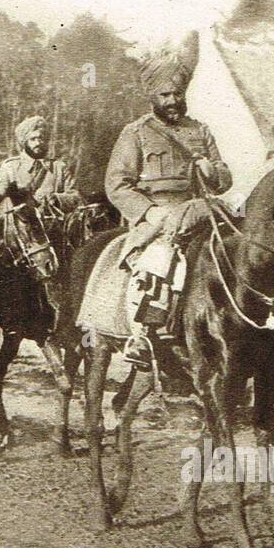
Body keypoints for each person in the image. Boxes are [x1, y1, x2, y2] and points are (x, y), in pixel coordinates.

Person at [104, 30, 232, 369]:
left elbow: (224, 179)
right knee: (159, 259)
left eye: (177, 93)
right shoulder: (136, 132)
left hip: (200, 209)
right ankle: (143, 334)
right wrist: (149, 212)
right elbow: (117, 184)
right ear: (152, 97)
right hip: (157, 217)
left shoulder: (200, 131)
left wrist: (211, 171)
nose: (173, 100)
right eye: (165, 94)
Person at [0, 116, 80, 218]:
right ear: (25, 142)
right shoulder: (10, 168)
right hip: (18, 228)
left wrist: (57, 199)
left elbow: (76, 197)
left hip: (53, 228)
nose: (38, 143)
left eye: (41, 138)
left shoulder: (59, 168)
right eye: (33, 139)